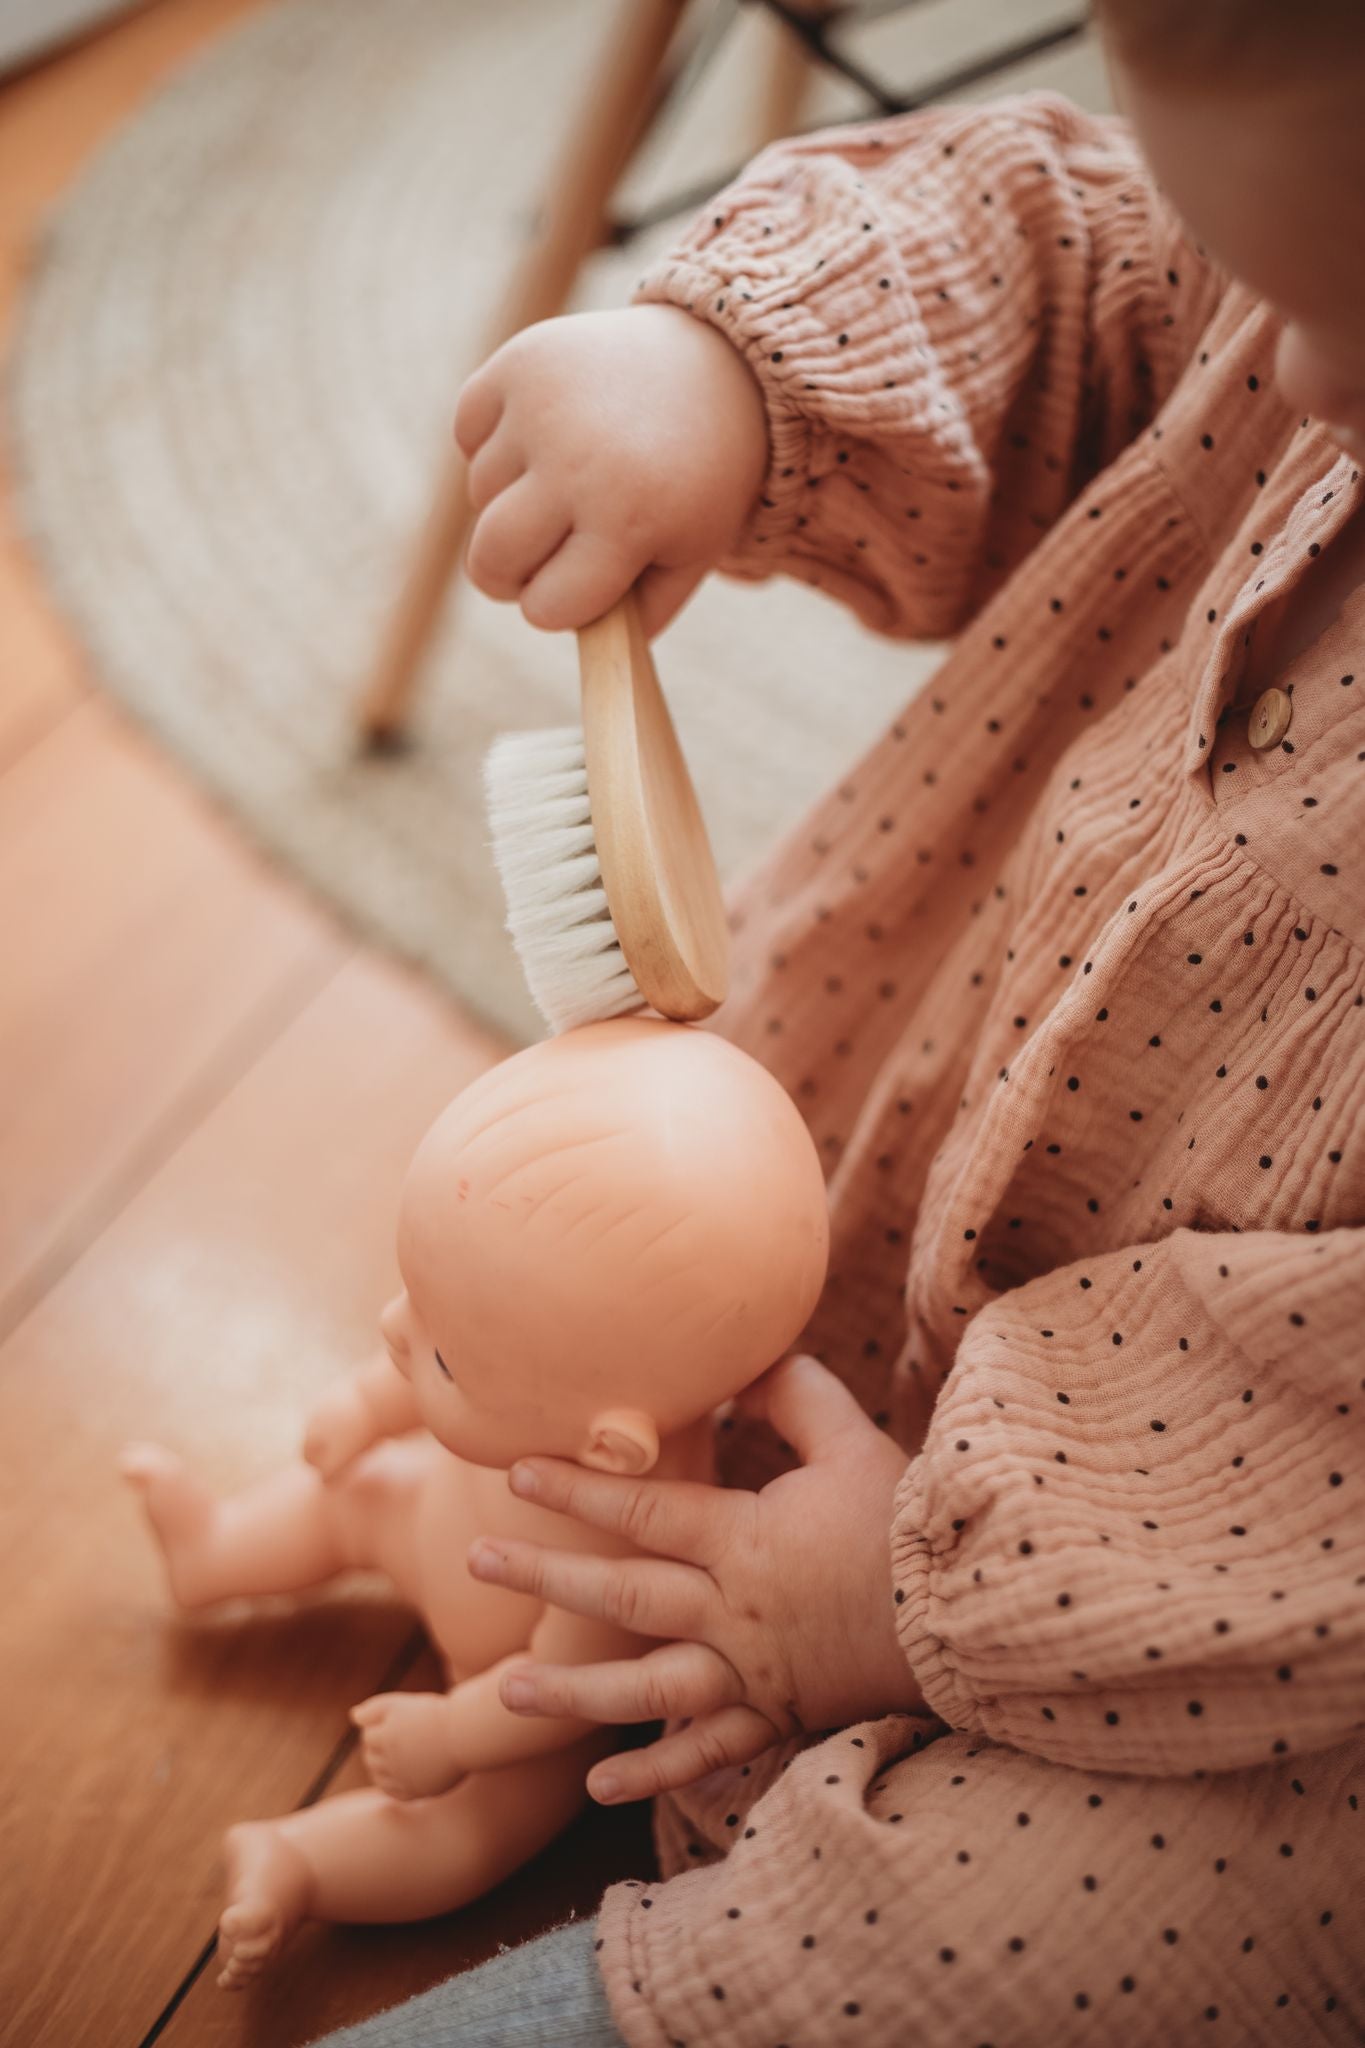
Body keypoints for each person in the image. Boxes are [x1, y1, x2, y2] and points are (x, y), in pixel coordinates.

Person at [318, 1, 1365, 2039]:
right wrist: (731, 370)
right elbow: (1080, 258)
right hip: (922, 1133)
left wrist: (933, 1566)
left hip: (1258, 1629)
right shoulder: (1292, 278)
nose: (1300, 379)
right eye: (1277, 286)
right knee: (647, 1301)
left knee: (1025, 1939)